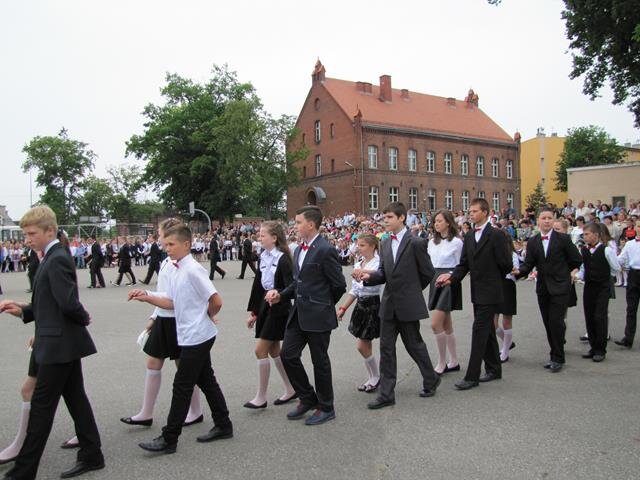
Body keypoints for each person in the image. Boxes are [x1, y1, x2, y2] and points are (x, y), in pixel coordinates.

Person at [0, 205, 104, 479]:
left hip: (58, 345)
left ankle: (22, 473)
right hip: (59, 342)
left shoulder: (56, 257)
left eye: (32, 233)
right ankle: (92, 455)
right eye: (25, 234)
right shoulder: (50, 256)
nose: (27, 239)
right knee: (76, 400)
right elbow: (49, 303)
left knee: (42, 410)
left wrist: (84, 317)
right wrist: (22, 310)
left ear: (50, 231)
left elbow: (68, 303)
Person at [129, 223, 233, 453]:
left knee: (182, 385)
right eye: (165, 244)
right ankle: (224, 424)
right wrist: (147, 296)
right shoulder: (176, 267)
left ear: (186, 244)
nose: (167, 248)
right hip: (190, 334)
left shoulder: (193, 269)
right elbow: (171, 302)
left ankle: (169, 438)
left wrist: (205, 316)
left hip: (198, 335)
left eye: (171, 244)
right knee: (206, 380)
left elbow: (216, 300)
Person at [265, 206, 346, 425]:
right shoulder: (299, 250)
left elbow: (339, 285)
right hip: (298, 313)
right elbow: (297, 283)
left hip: (318, 315)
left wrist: (324, 304)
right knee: (288, 355)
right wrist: (281, 295)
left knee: (320, 362)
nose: (295, 225)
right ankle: (308, 397)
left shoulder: (325, 250)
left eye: (299, 222)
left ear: (310, 224)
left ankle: (327, 407)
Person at [355, 202, 440, 408]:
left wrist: (411, 290)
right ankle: (386, 394)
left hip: (408, 303)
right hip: (389, 304)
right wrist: (368, 277)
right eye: (384, 218)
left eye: (390, 217)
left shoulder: (416, 242)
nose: (385, 221)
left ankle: (431, 378)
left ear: (402, 218)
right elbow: (383, 273)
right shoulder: (384, 243)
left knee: (414, 345)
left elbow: (428, 273)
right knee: (386, 348)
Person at [120, 219, 203, 430]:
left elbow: (173, 297)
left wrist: (149, 299)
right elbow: (163, 293)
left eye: (160, 233)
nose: (159, 237)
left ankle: (195, 410)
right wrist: (154, 316)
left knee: (184, 368)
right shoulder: (167, 261)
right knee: (153, 362)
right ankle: (146, 412)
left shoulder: (179, 263)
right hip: (164, 317)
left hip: (176, 319)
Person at [436, 198, 512, 391]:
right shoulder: (469, 236)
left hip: (492, 291)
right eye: (470, 211)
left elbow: (506, 264)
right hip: (477, 291)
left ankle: (472, 376)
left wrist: (492, 276)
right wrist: (452, 278)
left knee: (479, 330)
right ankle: (494, 369)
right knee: (487, 330)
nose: (471, 214)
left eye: (475, 211)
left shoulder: (497, 235)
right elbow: (464, 264)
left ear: (485, 212)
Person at [514, 208, 582, 372]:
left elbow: (576, 259)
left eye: (549, 218)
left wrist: (564, 274)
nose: (546, 221)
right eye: (543, 218)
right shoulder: (534, 241)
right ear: (538, 220)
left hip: (560, 287)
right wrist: (518, 272)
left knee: (556, 322)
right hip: (543, 288)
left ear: (554, 220)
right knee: (548, 322)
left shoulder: (563, 239)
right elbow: (529, 264)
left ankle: (558, 357)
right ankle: (554, 354)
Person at [244, 221, 296, 409]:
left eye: (262, 235)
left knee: (260, 350)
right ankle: (291, 388)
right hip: (266, 306)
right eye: (259, 235)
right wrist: (254, 312)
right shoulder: (262, 257)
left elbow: (292, 286)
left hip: (279, 308)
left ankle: (261, 397)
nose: (259, 238)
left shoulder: (283, 258)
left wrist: (278, 293)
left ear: (274, 238)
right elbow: (258, 286)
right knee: (274, 350)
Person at [337, 234, 382, 392]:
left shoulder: (378, 263)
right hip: (361, 305)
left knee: (362, 346)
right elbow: (354, 290)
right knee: (365, 344)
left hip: (373, 305)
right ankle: (372, 377)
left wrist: (363, 272)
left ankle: (376, 376)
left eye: (362, 245)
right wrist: (343, 308)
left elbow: (377, 277)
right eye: (358, 245)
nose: (358, 248)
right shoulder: (358, 263)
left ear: (373, 246)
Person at [576, 224, 620, 362]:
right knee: (589, 316)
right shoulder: (584, 250)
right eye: (584, 234)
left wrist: (606, 277)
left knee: (599, 317)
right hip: (589, 286)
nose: (585, 237)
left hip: (602, 287)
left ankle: (601, 349)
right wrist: (577, 276)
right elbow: (583, 268)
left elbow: (616, 267)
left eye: (587, 234)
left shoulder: (606, 250)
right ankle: (593, 347)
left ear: (596, 235)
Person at [426, 210, 462, 375]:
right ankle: (454, 361)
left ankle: (441, 362)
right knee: (447, 324)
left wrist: (451, 276)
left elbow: (461, 265)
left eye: (440, 221)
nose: (436, 224)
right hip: (435, 279)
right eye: (435, 221)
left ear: (448, 222)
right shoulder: (431, 242)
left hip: (448, 281)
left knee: (435, 324)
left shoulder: (457, 242)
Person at [615, 219, 640, 348]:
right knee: (631, 308)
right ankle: (628, 338)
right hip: (633, 275)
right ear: (635, 228)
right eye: (639, 226)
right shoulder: (630, 244)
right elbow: (621, 259)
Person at [495, 232, 519, 363]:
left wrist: (513, 271)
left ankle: (505, 351)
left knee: (506, 321)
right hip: (495, 286)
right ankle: (507, 342)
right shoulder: (493, 253)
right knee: (492, 323)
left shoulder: (512, 254)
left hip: (507, 286)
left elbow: (515, 272)